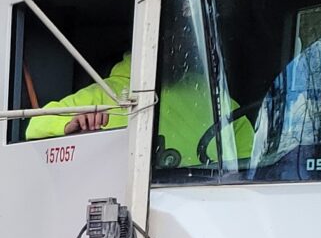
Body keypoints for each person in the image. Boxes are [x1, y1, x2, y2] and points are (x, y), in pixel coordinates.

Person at [22, 50, 253, 168]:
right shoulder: (105, 91)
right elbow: (36, 124)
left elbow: (249, 162)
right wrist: (71, 125)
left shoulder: (213, 97)